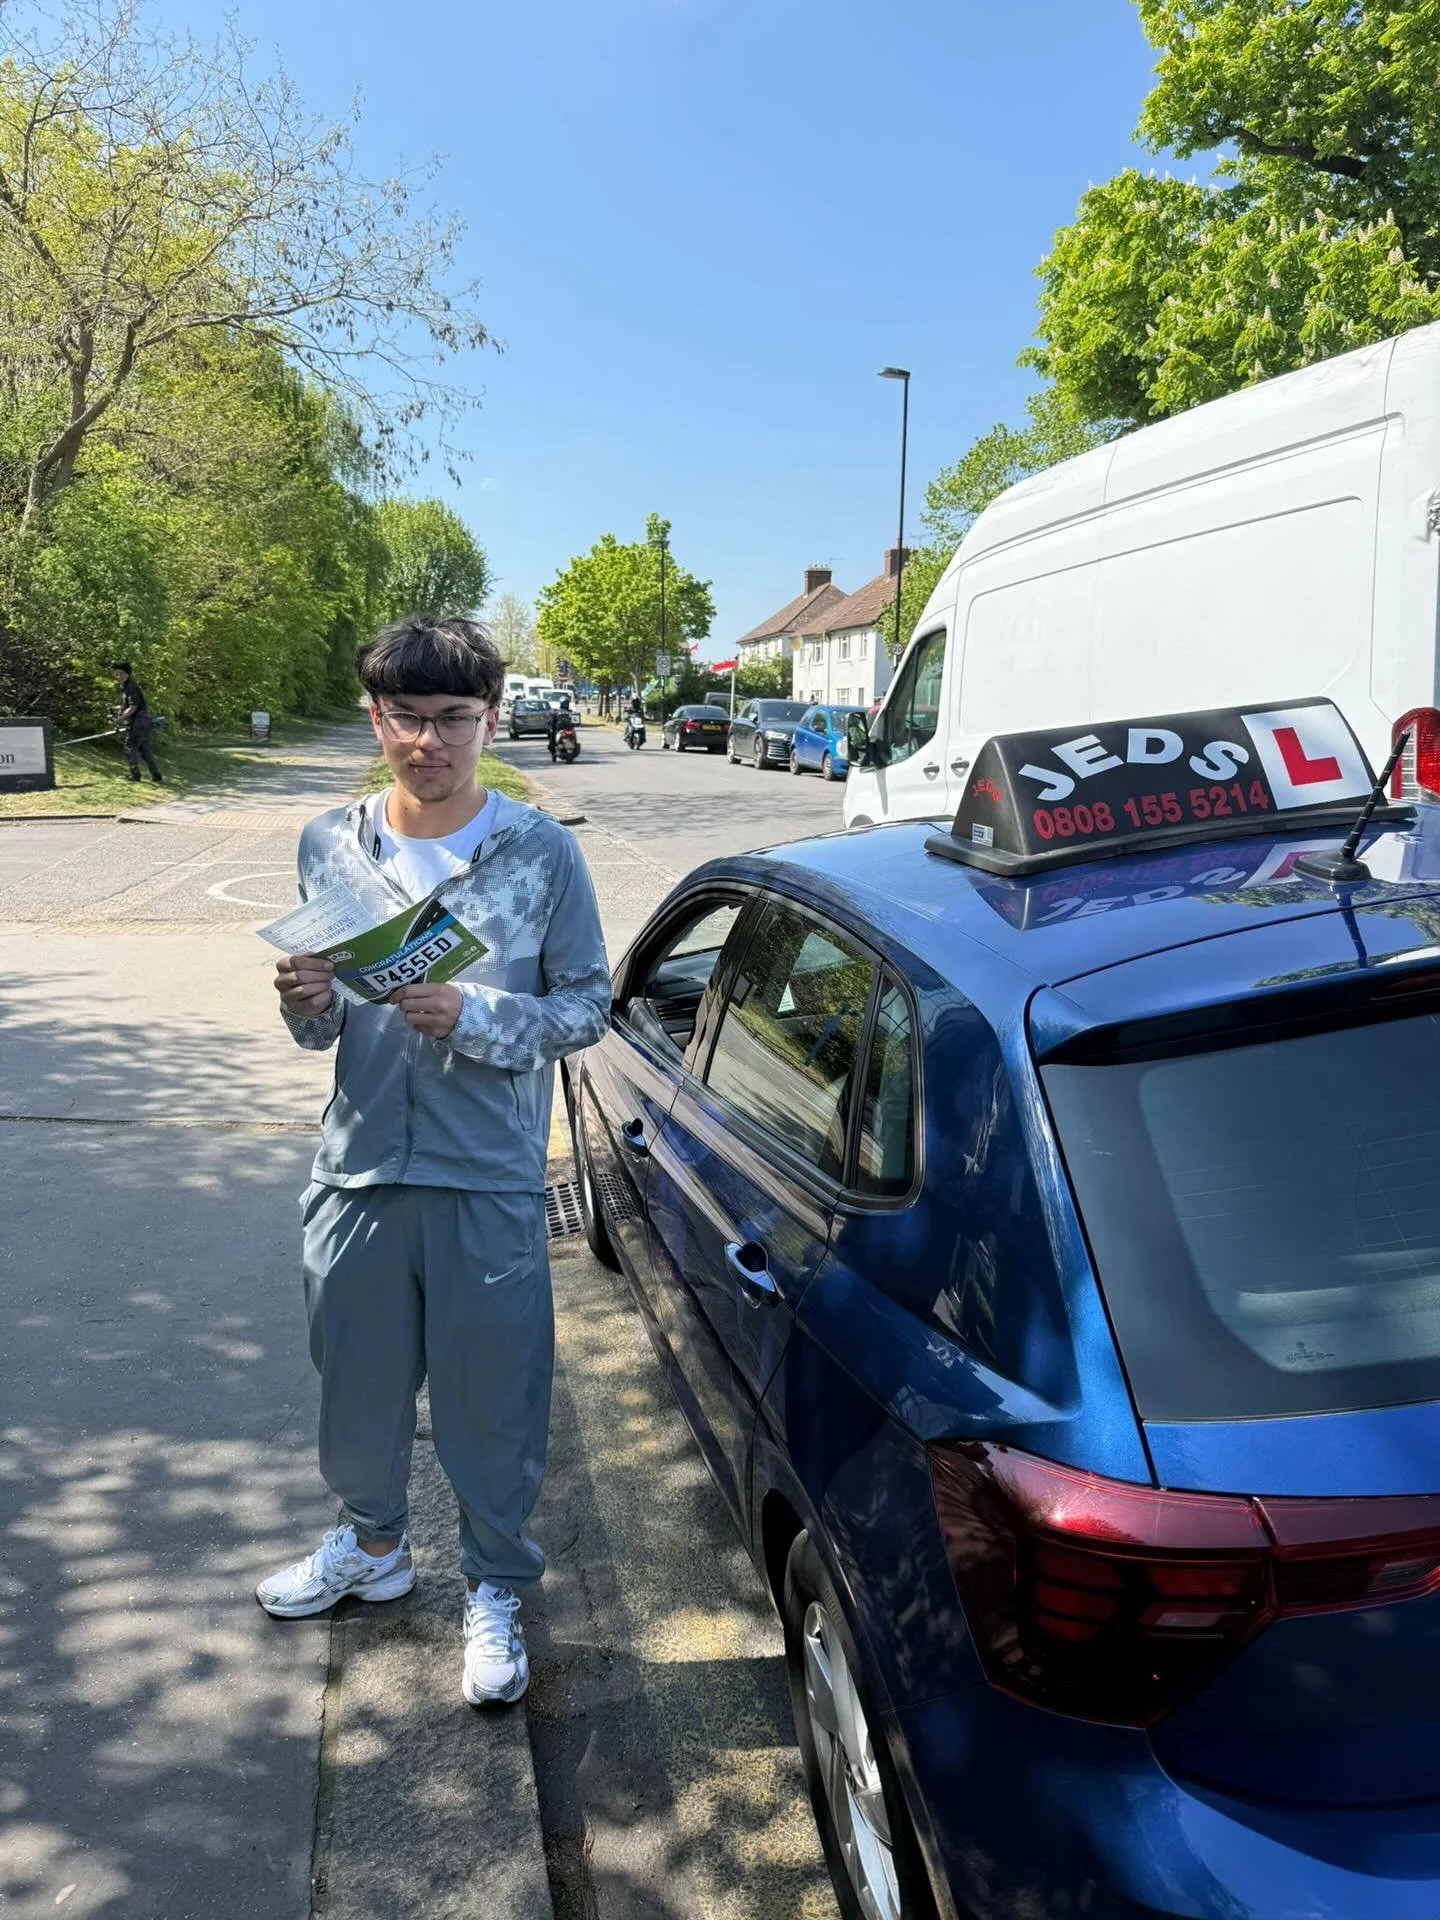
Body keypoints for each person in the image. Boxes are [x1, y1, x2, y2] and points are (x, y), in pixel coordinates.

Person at [258, 613, 610, 1707]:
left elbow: (589, 1006)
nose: (429, 740)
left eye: (453, 717)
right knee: (353, 1390)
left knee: (491, 1399)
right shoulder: (332, 842)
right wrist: (304, 1003)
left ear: (491, 717)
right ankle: (373, 1546)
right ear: (375, 718)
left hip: (487, 1178)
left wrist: (475, 1014)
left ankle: (496, 1585)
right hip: (358, 1170)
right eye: (405, 716)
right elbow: (324, 1031)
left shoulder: (541, 851)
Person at [110, 661, 163, 784]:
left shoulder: (131, 687)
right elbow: (126, 705)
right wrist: (115, 708)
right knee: (144, 749)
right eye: (116, 674)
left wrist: (118, 720)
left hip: (138, 721)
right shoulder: (126, 687)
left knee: (130, 747)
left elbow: (133, 708)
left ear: (127, 674)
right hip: (143, 720)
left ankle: (135, 775)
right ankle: (156, 775)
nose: (118, 677)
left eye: (121, 674)